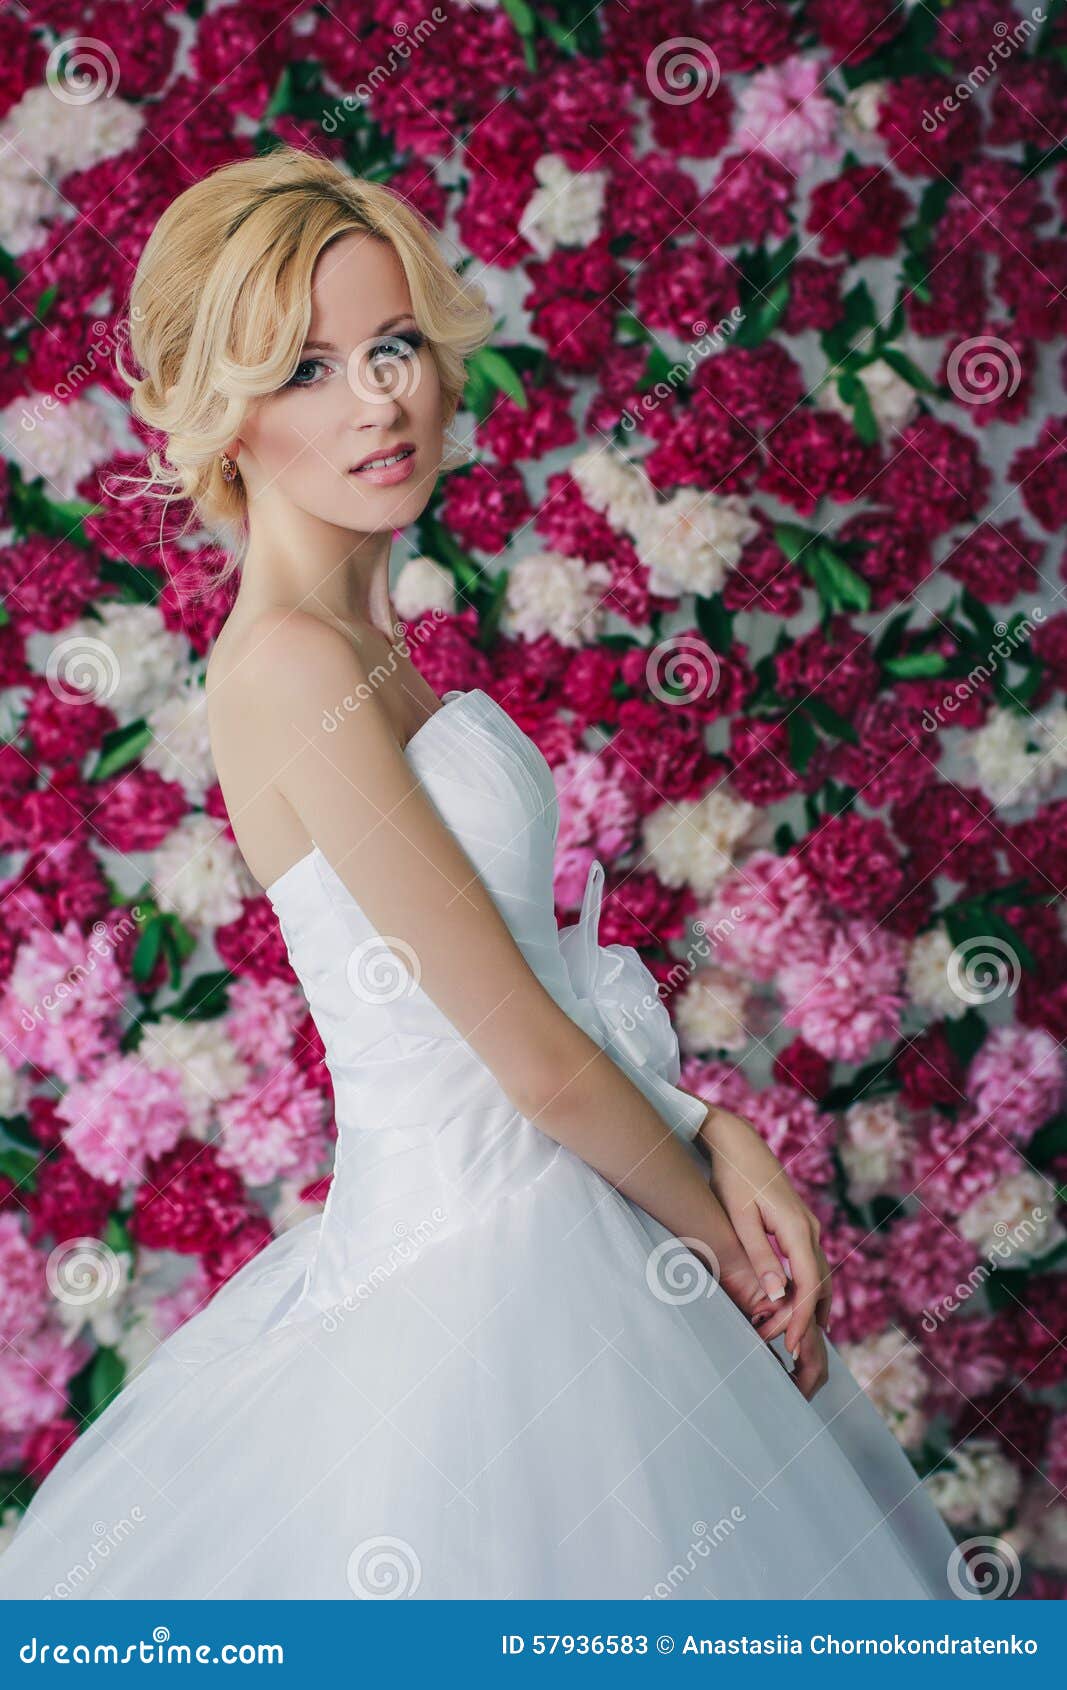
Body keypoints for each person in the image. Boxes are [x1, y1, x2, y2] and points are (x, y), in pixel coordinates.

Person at [0, 147, 959, 1601]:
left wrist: (713, 1127)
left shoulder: (371, 637)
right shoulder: (289, 666)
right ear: (228, 414)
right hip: (486, 1266)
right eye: (309, 368)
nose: (380, 396)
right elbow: (526, 1057)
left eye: (391, 347)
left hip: (562, 1211)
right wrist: (729, 1253)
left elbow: (531, 977)